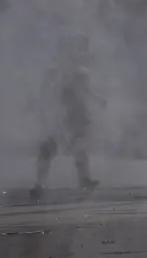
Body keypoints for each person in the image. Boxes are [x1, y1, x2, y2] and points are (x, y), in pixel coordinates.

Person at [30, 31, 99, 202]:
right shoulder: (63, 71)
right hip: (63, 115)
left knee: (77, 149)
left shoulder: (75, 70)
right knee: (51, 150)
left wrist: (96, 99)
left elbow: (83, 91)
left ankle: (82, 181)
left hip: (71, 115)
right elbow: (48, 92)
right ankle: (41, 185)